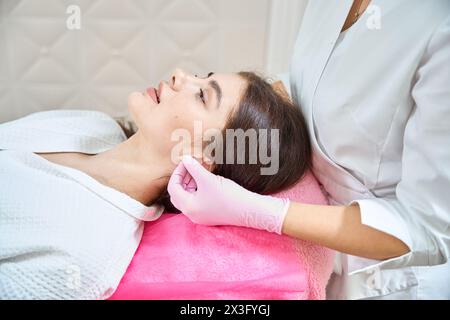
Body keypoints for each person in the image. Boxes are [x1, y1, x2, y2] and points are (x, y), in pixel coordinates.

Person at [167, 0, 450, 299]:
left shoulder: (438, 23)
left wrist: (260, 211)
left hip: (388, 281)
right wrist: (256, 108)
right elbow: (319, 87)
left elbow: (426, 228)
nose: (177, 75)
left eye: (201, 94)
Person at [0, 69, 311, 299]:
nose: (179, 76)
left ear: (203, 159)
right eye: (202, 77)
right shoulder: (93, 124)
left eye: (202, 95)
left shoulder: (86, 254)